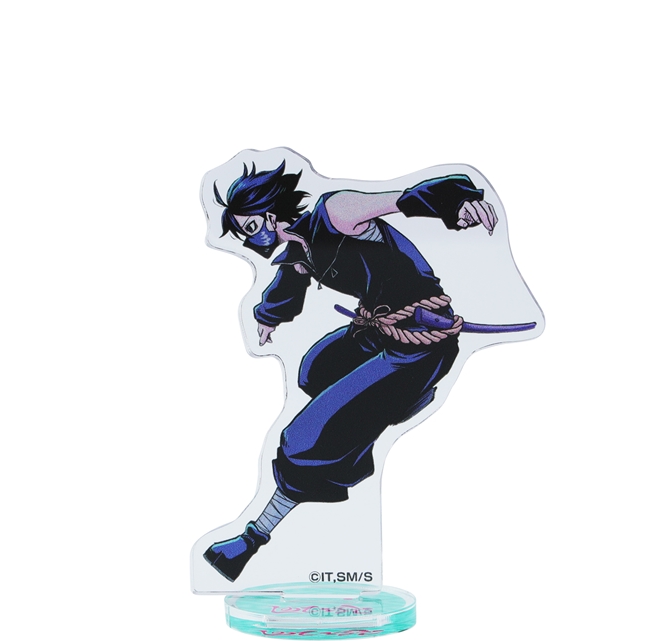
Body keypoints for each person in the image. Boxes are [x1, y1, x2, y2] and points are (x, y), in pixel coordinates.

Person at [204, 161, 498, 581]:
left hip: (418, 345)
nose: (252, 239)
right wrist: (269, 317)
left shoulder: (336, 212)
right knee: (315, 370)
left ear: (269, 214)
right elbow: (291, 279)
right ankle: (353, 434)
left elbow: (403, 199)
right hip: (375, 330)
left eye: (250, 227)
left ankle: (252, 538)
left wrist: (458, 201)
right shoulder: (301, 247)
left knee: (302, 439)